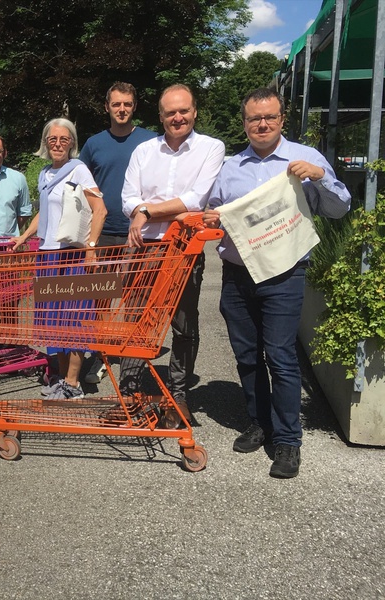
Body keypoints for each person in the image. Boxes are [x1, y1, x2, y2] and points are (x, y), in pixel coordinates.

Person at [204, 87, 350, 478]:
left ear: (282, 119)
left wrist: (320, 178)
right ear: (245, 123)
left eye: (269, 117)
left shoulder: (307, 159)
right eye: (254, 119)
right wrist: (211, 219)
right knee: (247, 356)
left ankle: (287, 441)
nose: (262, 124)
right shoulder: (231, 167)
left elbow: (339, 209)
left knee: (281, 357)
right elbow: (213, 213)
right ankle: (260, 423)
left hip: (285, 274)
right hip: (238, 275)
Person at [122, 84, 225, 427]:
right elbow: (127, 198)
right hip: (144, 249)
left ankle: (178, 394)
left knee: (183, 325)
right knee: (137, 321)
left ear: (195, 112)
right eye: (170, 113)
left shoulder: (212, 148)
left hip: (184, 249)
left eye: (184, 111)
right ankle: (131, 391)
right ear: (161, 116)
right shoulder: (143, 151)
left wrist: (146, 212)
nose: (177, 117)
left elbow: (196, 199)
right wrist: (142, 210)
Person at [11, 118, 107, 400]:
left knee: (74, 318)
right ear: (45, 142)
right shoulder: (43, 174)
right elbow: (44, 213)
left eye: (64, 139)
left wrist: (90, 249)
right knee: (54, 321)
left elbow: (99, 209)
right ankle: (63, 379)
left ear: (72, 144)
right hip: (46, 254)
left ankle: (74, 384)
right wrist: (25, 236)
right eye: (53, 139)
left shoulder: (78, 170)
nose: (58, 144)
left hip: (70, 254)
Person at [78, 81, 156, 384]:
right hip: (104, 232)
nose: (121, 109)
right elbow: (82, 185)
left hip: (141, 233)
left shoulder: (151, 141)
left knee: (136, 299)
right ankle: (100, 355)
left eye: (127, 104)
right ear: (106, 107)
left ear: (134, 106)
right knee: (100, 300)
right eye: (116, 104)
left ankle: (132, 364)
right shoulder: (94, 143)